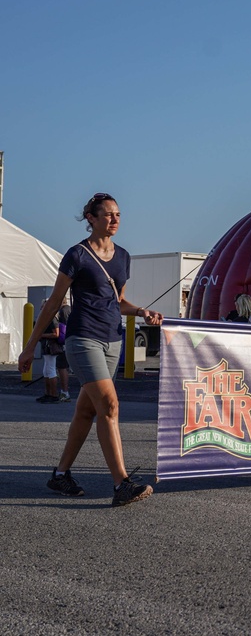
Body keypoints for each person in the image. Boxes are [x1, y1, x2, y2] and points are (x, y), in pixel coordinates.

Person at [17, 192, 162, 507]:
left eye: (118, 214)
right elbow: (54, 302)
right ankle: (121, 483)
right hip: (83, 339)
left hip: (113, 340)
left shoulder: (123, 256)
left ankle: (60, 475)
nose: (114, 220)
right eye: (108, 214)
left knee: (86, 410)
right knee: (109, 406)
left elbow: (118, 300)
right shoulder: (77, 255)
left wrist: (142, 312)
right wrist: (30, 347)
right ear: (91, 219)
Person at [35, 298, 62, 404]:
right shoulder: (46, 318)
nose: (42, 308)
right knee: (46, 370)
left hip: (51, 346)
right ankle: (48, 393)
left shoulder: (51, 318)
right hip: (46, 346)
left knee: (50, 369)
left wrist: (41, 335)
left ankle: (54, 394)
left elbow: (56, 333)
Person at [56, 296, 72, 402]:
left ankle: (64, 392)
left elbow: (65, 327)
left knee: (62, 367)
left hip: (65, 341)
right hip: (72, 339)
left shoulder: (63, 311)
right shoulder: (70, 309)